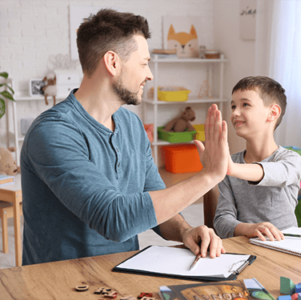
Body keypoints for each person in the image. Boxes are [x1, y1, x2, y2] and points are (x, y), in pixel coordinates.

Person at [20, 9, 229, 266]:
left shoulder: (131, 124)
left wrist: (185, 230)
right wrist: (209, 175)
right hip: (61, 284)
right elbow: (114, 219)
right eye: (143, 63)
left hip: (120, 275)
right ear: (113, 62)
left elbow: (155, 204)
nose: (149, 74)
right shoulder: (52, 132)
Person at [211, 76, 301, 241]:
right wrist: (250, 229)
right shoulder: (229, 165)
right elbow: (221, 221)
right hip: (244, 246)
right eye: (233, 106)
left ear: (272, 113)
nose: (235, 112)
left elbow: (277, 174)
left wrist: (231, 168)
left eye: (245, 105)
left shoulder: (291, 160)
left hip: (287, 248)